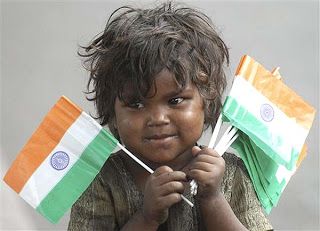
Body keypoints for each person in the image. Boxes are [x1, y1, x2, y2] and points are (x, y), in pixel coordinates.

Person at [68, 2, 273, 230]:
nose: (158, 118)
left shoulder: (230, 172)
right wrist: (147, 218)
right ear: (112, 113)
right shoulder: (102, 179)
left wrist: (213, 199)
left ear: (207, 99)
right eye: (136, 104)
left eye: (175, 101)